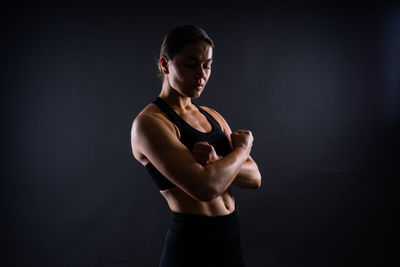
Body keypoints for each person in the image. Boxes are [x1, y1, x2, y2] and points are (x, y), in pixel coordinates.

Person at [130, 24, 261, 267]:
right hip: (191, 246)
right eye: (190, 65)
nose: (201, 75)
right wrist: (242, 150)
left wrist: (217, 164)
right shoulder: (149, 124)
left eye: (207, 65)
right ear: (165, 64)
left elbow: (254, 178)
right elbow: (205, 188)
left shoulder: (212, 116)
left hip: (230, 239)